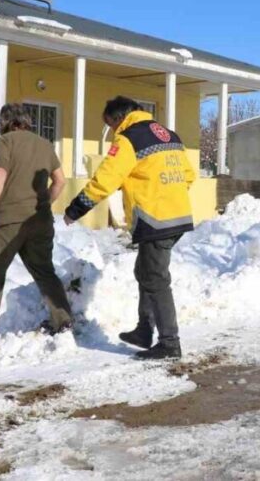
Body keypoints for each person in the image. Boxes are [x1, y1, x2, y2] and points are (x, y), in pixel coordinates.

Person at [64, 96, 196, 360]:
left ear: (117, 118)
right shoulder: (169, 135)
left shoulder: (128, 139)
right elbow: (189, 175)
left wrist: (75, 209)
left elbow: (105, 180)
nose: (112, 131)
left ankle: (170, 343)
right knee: (144, 271)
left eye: (110, 125)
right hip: (178, 215)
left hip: (154, 218)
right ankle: (144, 330)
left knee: (155, 279)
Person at [0, 103, 74, 345]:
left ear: (5, 122)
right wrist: (44, 204)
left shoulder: (4, 143)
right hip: (40, 220)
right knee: (45, 272)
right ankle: (64, 321)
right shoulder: (45, 145)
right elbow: (60, 181)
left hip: (8, 220)